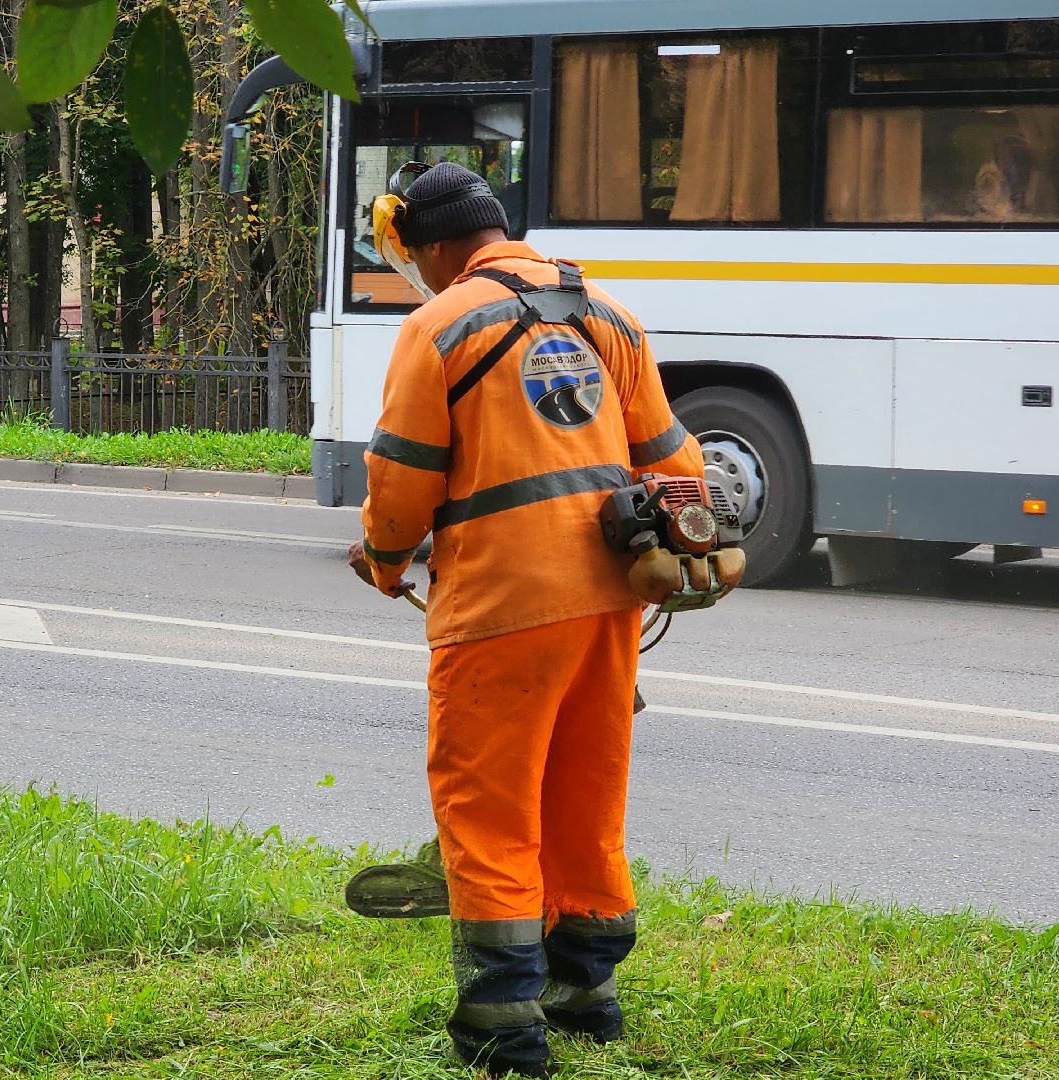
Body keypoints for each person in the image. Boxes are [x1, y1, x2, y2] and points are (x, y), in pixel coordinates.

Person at [346, 161, 712, 1077]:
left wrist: (385, 562)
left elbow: (401, 478)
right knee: (586, 795)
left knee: (491, 806)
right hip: (612, 605)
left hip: (501, 607)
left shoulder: (439, 325)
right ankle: (587, 993)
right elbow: (676, 463)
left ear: (433, 248)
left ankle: (501, 1023)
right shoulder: (608, 316)